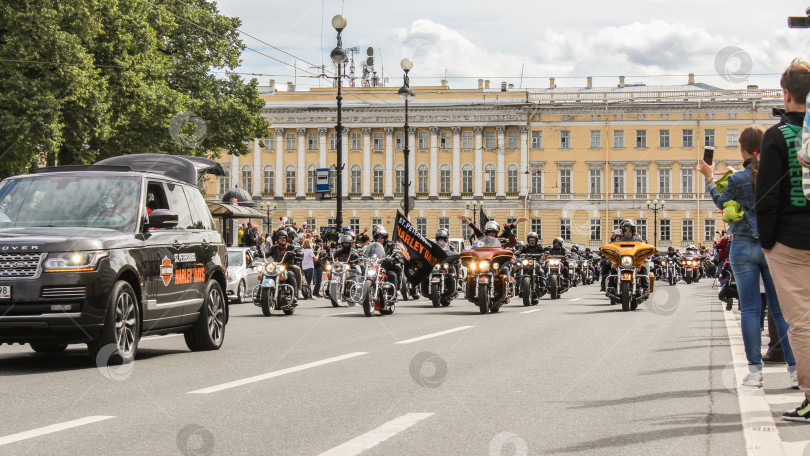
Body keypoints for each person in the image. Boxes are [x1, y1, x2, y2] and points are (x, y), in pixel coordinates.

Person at [701, 123, 796, 391]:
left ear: (741, 147)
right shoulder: (773, 174)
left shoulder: (738, 179)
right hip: (771, 246)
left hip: (743, 246)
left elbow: (721, 202)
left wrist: (709, 177)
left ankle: (755, 373)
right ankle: (793, 370)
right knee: (779, 311)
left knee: (752, 310)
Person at [755, 59, 810, 421]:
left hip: (791, 241)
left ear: (785, 93)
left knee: (802, 321)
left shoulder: (777, 136)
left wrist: (768, 242)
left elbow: (767, 198)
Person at [265, 230, 299, 301]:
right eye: (280, 237)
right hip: (276, 268)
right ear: (277, 239)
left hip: (288, 267)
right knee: (265, 274)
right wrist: (260, 253)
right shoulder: (274, 248)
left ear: (286, 238)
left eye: (284, 237)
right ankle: (260, 294)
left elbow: (298, 252)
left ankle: (295, 295)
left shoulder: (291, 247)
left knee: (291, 274)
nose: (282, 239)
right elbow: (266, 253)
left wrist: (296, 253)